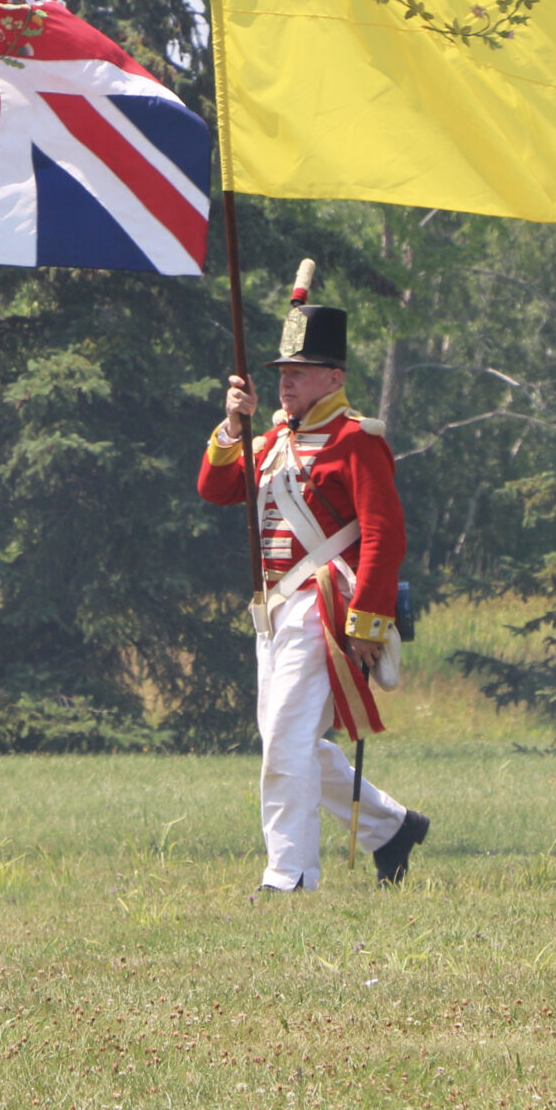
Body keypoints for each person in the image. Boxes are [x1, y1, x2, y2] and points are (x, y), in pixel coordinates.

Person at [197, 295, 430, 892]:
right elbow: (217, 488)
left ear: (334, 377)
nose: (286, 385)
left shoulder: (358, 441)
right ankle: (391, 828)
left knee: (287, 741)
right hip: (274, 610)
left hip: (326, 605)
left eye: (298, 373)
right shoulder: (271, 438)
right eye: (281, 375)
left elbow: (383, 534)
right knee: (289, 738)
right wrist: (231, 425)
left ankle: (291, 874)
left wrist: (367, 622)